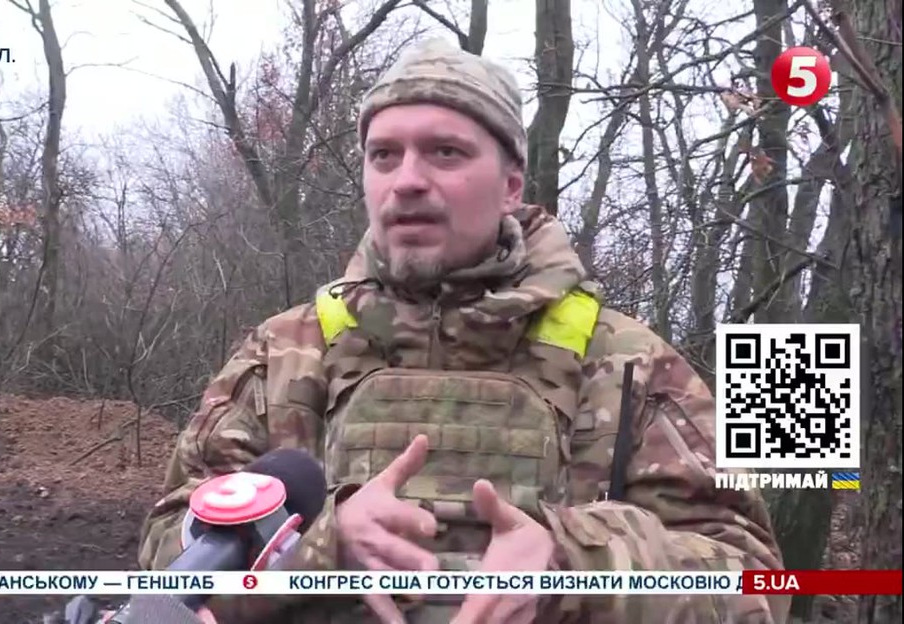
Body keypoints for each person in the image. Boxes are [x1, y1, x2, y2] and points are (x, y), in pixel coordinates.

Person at [138, 37, 789, 624]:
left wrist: (573, 563)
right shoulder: (283, 354)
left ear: (511, 186)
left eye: (445, 152)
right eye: (384, 155)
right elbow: (163, 553)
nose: (407, 181)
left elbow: (757, 583)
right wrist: (317, 547)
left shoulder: (629, 364)